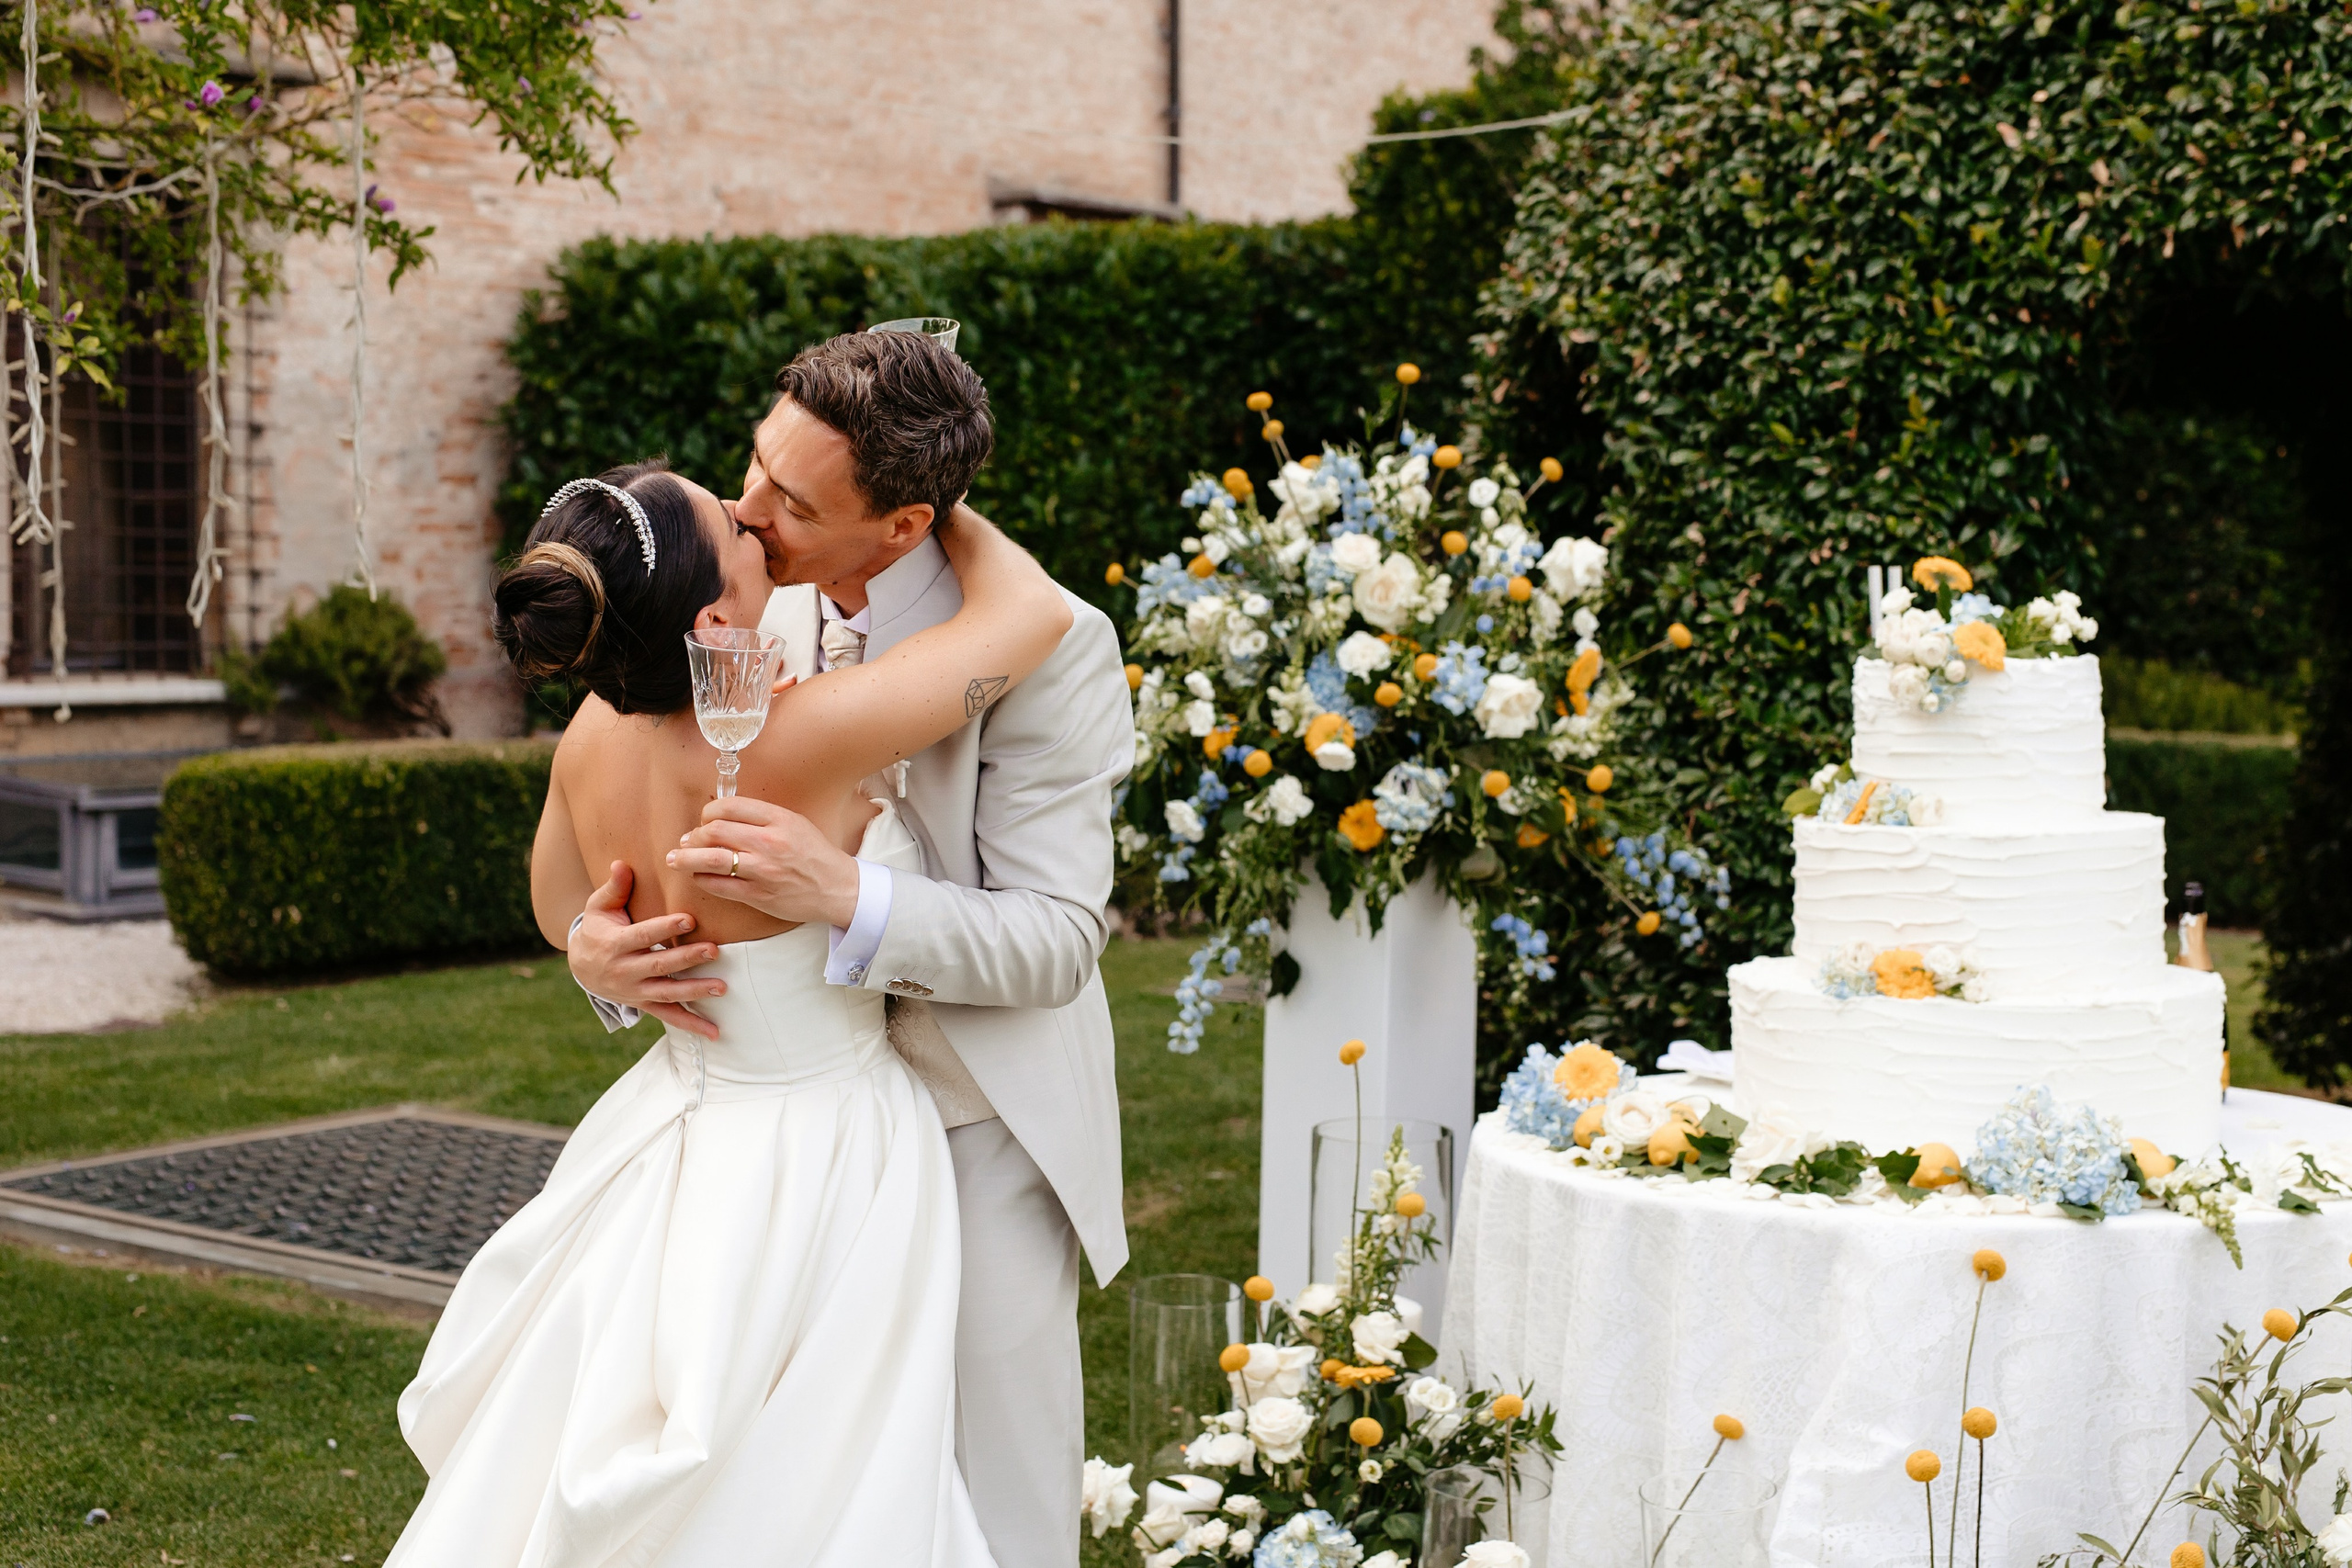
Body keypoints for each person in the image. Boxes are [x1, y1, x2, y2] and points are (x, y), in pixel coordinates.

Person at [384, 441, 1072, 1565]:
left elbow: (562, 909)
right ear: (710, 627)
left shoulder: (592, 735)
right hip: (828, 1147)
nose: (760, 523)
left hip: (675, 1130)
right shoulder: (799, 736)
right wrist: (929, 510)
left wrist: (597, 955)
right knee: (819, 1472)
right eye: (739, 533)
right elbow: (1030, 618)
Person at [566, 330, 1135, 1568]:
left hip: (975, 1121)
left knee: (989, 1509)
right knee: (781, 1488)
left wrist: (846, 894)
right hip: (784, 1145)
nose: (750, 511)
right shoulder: (734, 599)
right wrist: (591, 948)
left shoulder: (1056, 649)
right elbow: (613, 814)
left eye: (796, 499)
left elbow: (1057, 943)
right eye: (756, 466)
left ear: (904, 522)